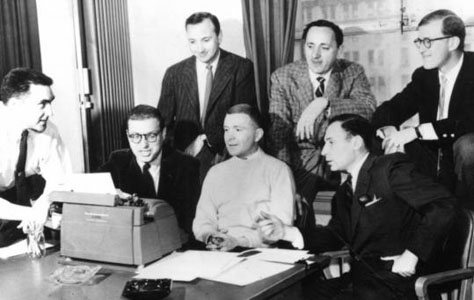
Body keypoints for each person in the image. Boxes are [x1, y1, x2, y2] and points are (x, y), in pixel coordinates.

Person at [258, 114, 456, 300]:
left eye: (331, 142)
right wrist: (285, 232)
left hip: (396, 284)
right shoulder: (343, 192)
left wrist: (412, 254)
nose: (324, 151)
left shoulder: (389, 169)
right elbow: (334, 236)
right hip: (360, 282)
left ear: (356, 142)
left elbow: (443, 205)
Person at [268, 19, 376, 222]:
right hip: (302, 160)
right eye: (310, 46)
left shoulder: (352, 71)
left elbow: (368, 110)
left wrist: (325, 103)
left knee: (364, 210)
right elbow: (278, 136)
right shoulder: (282, 77)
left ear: (338, 48)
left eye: (324, 47)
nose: (315, 55)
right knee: (289, 212)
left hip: (345, 157)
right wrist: (285, 184)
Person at [372, 9, 474, 209]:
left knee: (468, 146)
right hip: (434, 158)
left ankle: (468, 219)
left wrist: (415, 131)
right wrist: (388, 128)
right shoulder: (424, 75)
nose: (421, 48)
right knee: (376, 138)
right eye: (419, 41)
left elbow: (466, 121)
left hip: (466, 161)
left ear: (452, 42)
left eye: (428, 41)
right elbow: (391, 108)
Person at [158, 12, 257, 183]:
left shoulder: (241, 68)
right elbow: (163, 124)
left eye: (206, 40)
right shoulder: (174, 73)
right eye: (192, 42)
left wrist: (210, 141)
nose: (200, 48)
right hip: (183, 154)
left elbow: (243, 119)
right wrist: (178, 153)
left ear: (219, 37)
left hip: (225, 152)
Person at [192, 104, 295, 251]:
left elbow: (281, 227)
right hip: (219, 252)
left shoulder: (278, 170)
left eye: (238, 130)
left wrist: (239, 242)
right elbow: (203, 221)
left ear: (258, 135)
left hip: (260, 254)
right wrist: (212, 237)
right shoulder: (215, 172)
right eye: (226, 130)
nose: (230, 136)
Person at [98, 105, 200, 238]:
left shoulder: (186, 166)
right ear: (128, 136)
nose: (143, 144)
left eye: (151, 136)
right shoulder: (117, 163)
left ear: (163, 133)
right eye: (135, 136)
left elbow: (190, 222)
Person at [0, 68, 72, 246]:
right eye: (43, 104)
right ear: (15, 105)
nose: (51, 113)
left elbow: (61, 180)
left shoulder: (48, 131)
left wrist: (43, 204)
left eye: (51, 103)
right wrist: (30, 213)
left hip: (17, 212)